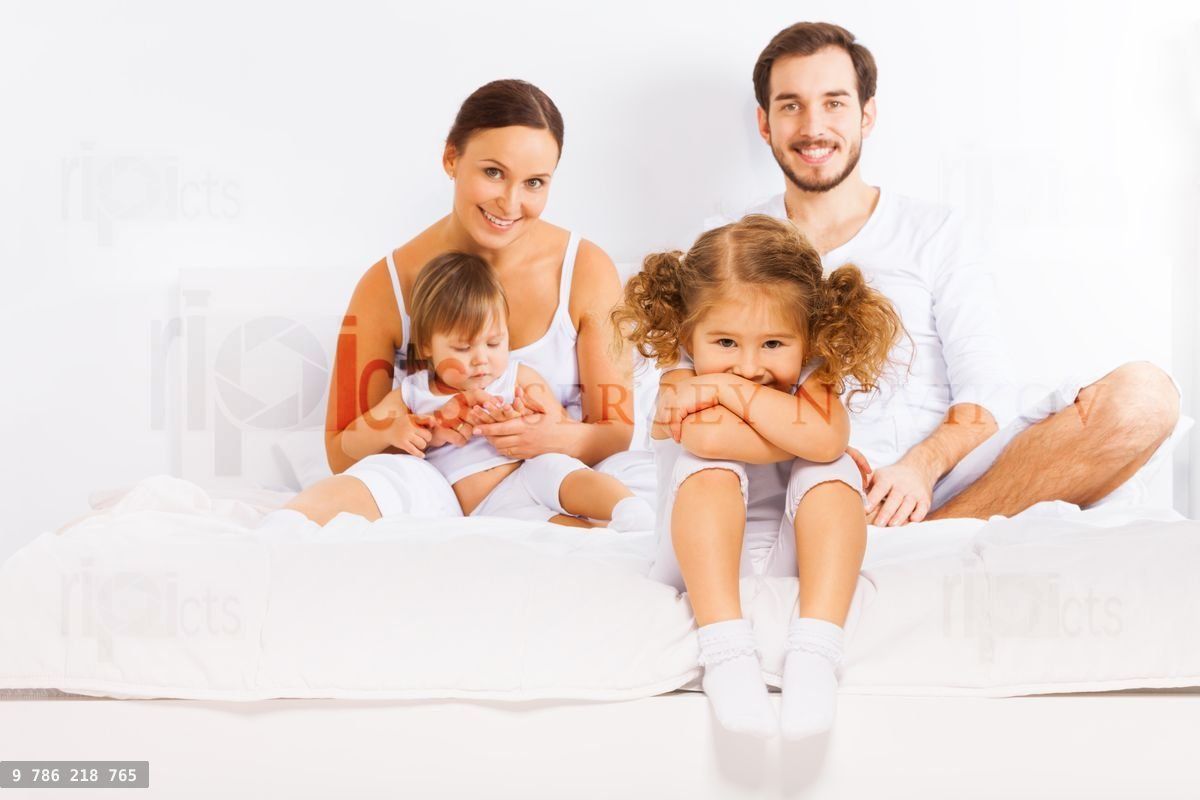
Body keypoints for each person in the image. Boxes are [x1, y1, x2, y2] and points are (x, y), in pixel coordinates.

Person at [709, 21, 1183, 526]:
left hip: (949, 472)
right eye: (790, 105)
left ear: (866, 115)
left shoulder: (935, 230)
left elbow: (985, 386)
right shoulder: (730, 242)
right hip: (808, 476)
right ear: (765, 123)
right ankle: (881, 534)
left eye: (834, 102)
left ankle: (933, 530)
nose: (813, 126)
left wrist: (922, 466)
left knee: (1145, 399)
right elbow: (708, 385)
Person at [275, 79, 652, 526]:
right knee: (373, 482)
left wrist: (553, 438)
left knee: (629, 491)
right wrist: (415, 431)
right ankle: (280, 533)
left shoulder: (585, 270)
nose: (510, 202)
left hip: (545, 476)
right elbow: (342, 449)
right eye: (493, 172)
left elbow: (615, 430)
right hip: (439, 481)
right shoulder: (387, 286)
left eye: (534, 183)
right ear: (451, 159)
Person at [612, 214, 905, 738]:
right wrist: (803, 432)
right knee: (711, 465)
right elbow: (708, 438)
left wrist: (728, 393)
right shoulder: (679, 373)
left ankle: (815, 648)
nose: (748, 365)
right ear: (688, 333)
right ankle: (726, 649)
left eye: (773, 345)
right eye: (725, 343)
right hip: (695, 564)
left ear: (809, 337)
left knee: (834, 468)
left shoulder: (811, 368)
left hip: (795, 557)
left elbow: (827, 443)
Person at [382, 250, 656, 529]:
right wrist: (401, 431)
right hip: (488, 502)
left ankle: (629, 508)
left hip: (530, 468)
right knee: (545, 528)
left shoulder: (516, 376)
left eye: (493, 343)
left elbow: (559, 426)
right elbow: (358, 435)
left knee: (561, 472)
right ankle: (603, 538)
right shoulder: (415, 393)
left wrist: (530, 420)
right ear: (427, 344)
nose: (481, 359)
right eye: (463, 348)